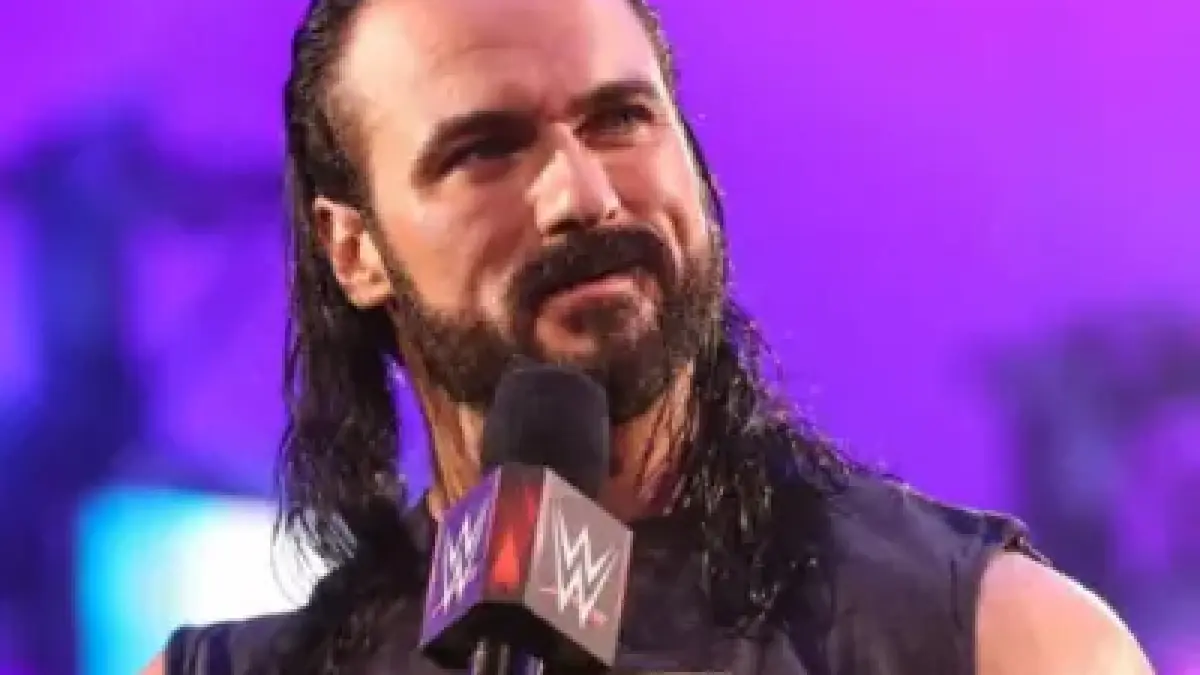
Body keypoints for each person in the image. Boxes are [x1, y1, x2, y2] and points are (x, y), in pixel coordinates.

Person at [143, 0, 1154, 673]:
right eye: (486, 149)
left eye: (620, 119)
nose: (583, 195)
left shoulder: (996, 641)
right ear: (355, 248)